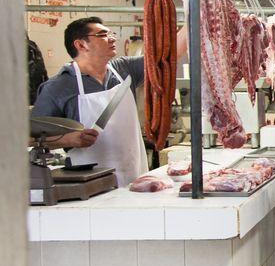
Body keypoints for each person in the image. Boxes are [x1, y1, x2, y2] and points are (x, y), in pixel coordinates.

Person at [31, 16, 187, 186]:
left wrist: (192, 14)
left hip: (135, 176)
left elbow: (168, 56)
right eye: (103, 35)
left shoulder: (123, 69)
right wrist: (69, 140)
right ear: (81, 45)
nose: (112, 38)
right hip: (89, 185)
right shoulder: (57, 87)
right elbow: (30, 139)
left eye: (110, 33)